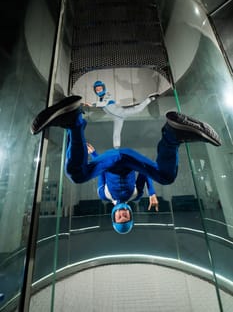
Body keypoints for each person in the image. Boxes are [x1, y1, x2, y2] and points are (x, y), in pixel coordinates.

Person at [31, 95, 221, 234]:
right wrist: (152, 193)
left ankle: (73, 121)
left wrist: (94, 153)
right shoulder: (136, 196)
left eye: (119, 218)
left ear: (113, 216)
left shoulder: (103, 194)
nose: (122, 214)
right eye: (126, 217)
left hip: (111, 160)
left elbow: (101, 172)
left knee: (77, 175)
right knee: (167, 177)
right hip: (130, 160)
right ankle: (173, 134)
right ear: (130, 214)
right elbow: (145, 174)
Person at [91, 80, 158, 148]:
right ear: (95, 91)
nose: (99, 90)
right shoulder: (100, 100)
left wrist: (92, 104)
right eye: (97, 89)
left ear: (103, 88)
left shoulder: (107, 94)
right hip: (117, 117)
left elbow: (104, 103)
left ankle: (149, 99)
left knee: (138, 109)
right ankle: (117, 149)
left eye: (100, 88)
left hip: (121, 112)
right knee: (116, 133)